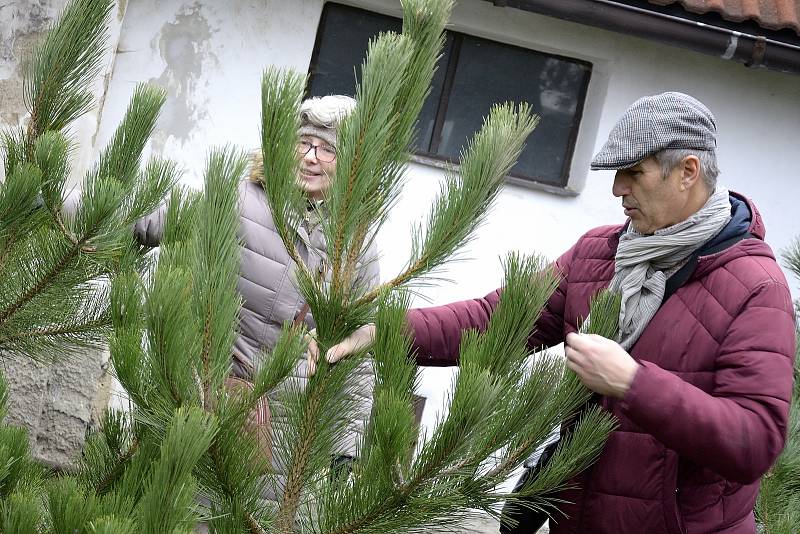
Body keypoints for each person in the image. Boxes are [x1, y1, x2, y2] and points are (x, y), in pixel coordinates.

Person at [310, 92, 796, 533]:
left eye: (635, 173)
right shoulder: (598, 255)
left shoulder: (755, 288)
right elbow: (498, 319)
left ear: (688, 171)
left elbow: (754, 440)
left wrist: (633, 383)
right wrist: (387, 331)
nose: (617, 190)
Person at [133, 95, 380, 484]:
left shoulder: (357, 244)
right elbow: (156, 217)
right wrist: (71, 209)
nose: (311, 156)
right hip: (209, 396)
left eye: (327, 148)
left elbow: (359, 344)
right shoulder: (242, 199)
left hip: (285, 430)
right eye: (304, 142)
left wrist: (345, 447)